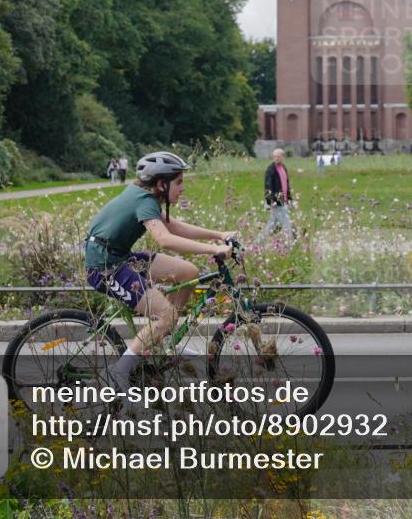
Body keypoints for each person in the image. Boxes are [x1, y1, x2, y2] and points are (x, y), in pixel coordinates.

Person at [85, 151, 237, 391]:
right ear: (161, 184)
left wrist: (218, 235)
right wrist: (213, 249)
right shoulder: (145, 200)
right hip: (105, 267)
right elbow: (164, 239)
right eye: (178, 182)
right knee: (167, 316)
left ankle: (166, 343)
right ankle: (117, 374)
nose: (182, 188)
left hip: (120, 257)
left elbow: (173, 226)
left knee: (188, 272)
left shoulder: (145, 197)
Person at [259, 148, 295, 241]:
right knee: (287, 224)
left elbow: (286, 185)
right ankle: (289, 244)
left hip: (283, 200)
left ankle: (257, 243)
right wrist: (270, 200)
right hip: (276, 202)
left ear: (283, 157)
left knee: (270, 226)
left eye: (278, 157)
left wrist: (290, 199)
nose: (276, 159)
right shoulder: (271, 169)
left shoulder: (283, 168)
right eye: (274, 157)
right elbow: (268, 185)